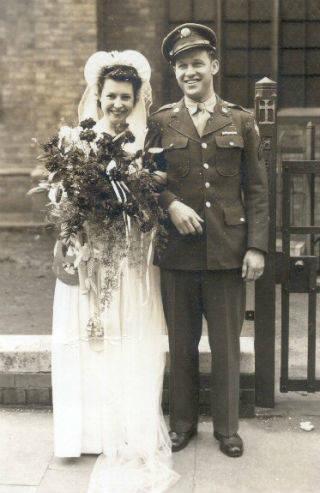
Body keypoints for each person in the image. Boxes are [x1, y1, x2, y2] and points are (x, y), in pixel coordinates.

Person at [51, 50, 178, 492]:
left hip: (130, 254)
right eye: (111, 96)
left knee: (127, 332)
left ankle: (124, 429)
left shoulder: (145, 145)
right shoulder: (77, 142)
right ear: (98, 97)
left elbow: (154, 196)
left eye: (126, 97)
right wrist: (72, 229)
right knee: (92, 333)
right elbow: (64, 195)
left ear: (137, 98)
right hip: (91, 251)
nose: (118, 104)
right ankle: (86, 432)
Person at [146, 23, 269, 458]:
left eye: (197, 64)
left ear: (213, 66)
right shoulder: (162, 121)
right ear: (175, 73)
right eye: (182, 66)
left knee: (225, 345)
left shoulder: (240, 120)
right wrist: (171, 205)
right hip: (178, 253)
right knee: (180, 344)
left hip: (226, 251)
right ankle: (181, 424)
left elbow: (255, 188)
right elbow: (145, 182)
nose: (189, 72)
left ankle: (227, 429)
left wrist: (256, 246)